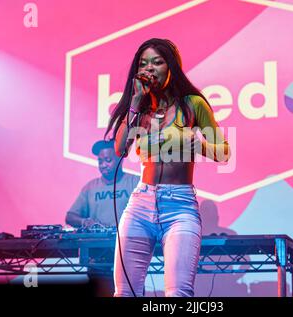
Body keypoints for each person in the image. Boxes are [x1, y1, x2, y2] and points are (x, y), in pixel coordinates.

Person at [105, 38, 231, 297]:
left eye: (157, 62)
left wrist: (198, 144)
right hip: (141, 203)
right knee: (124, 291)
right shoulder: (139, 109)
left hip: (180, 206)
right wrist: (135, 103)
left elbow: (225, 152)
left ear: (171, 66)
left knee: (178, 294)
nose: (149, 68)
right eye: (143, 63)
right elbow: (120, 149)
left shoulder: (193, 105)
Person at [65, 139, 139, 296]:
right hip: (98, 257)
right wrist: (85, 222)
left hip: (128, 251)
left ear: (120, 158)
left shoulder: (135, 182)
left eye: (108, 160)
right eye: (100, 161)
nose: (103, 164)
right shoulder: (91, 187)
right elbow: (70, 216)